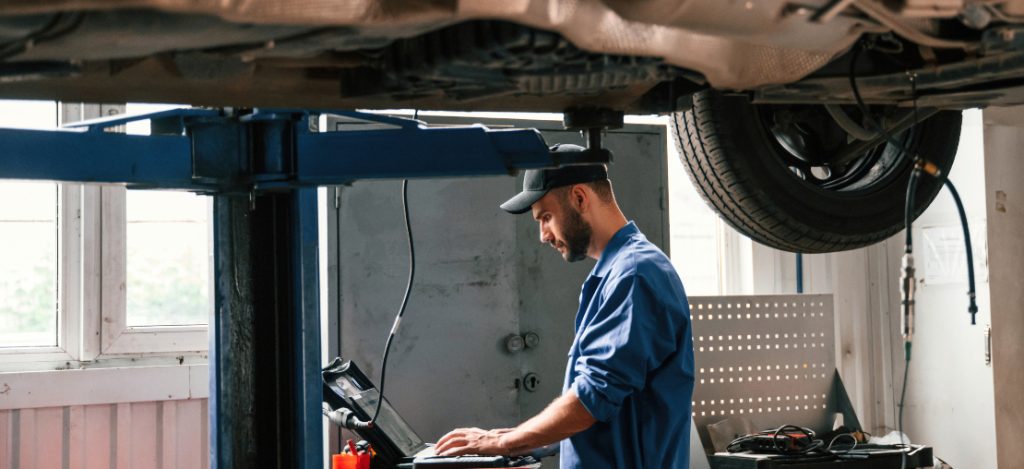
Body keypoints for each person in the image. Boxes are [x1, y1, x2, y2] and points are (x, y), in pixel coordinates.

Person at [435, 145, 695, 468]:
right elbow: (599, 410)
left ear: (580, 198)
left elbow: (592, 398)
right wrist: (514, 437)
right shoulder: (615, 273)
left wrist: (501, 444)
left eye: (546, 217)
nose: (543, 235)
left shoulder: (635, 275)